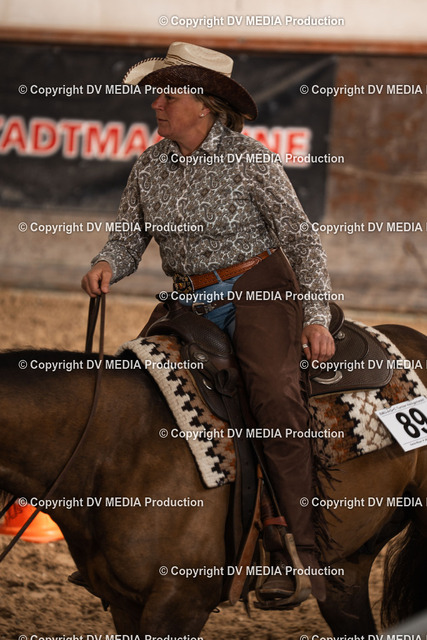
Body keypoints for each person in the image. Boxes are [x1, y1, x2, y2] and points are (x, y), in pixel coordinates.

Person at [81, 42, 335, 604]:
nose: (157, 104)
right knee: (135, 389)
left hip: (257, 290)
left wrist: (316, 316)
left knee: (273, 396)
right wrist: (106, 263)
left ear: (205, 104)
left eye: (168, 95)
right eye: (157, 94)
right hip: (188, 302)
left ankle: (299, 549)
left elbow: (301, 241)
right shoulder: (150, 166)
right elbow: (128, 237)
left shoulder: (250, 160)